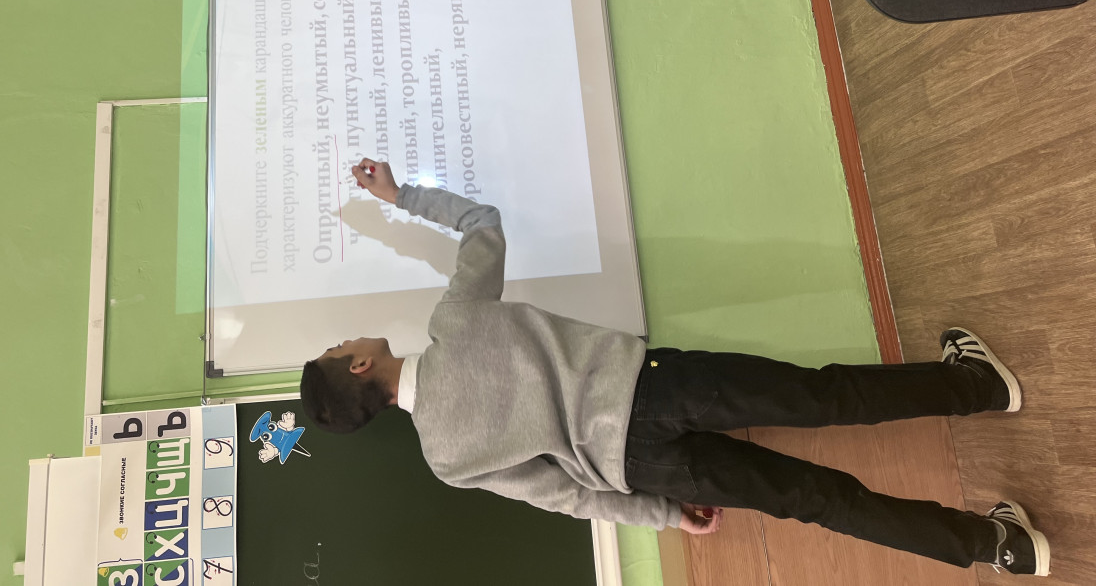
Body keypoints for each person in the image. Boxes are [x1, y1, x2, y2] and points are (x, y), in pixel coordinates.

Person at [300, 158, 1051, 577]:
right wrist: (400, 195)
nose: (346, 339)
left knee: (814, 500)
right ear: (361, 365)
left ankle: (994, 547)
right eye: (340, 346)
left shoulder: (445, 458)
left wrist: (661, 513)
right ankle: (978, 386)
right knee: (823, 395)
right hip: (654, 387)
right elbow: (482, 225)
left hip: (640, 468)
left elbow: (566, 498)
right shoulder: (455, 320)